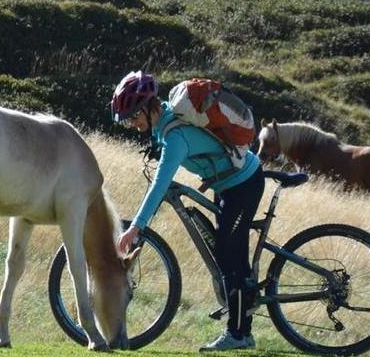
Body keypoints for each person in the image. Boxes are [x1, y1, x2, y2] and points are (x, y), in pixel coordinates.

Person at [112, 70, 265, 352]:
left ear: (147, 107)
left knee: (227, 254)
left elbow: (160, 184)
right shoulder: (168, 123)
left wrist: (136, 226)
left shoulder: (175, 137)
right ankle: (243, 324)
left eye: (134, 116)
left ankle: (239, 334)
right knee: (230, 254)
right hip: (228, 186)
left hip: (243, 186)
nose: (133, 124)